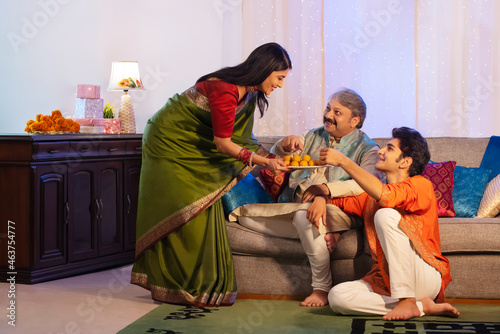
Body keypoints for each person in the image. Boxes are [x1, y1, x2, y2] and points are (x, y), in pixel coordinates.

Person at [130, 42, 292, 307]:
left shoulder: (248, 95)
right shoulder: (224, 89)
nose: (281, 85)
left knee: (204, 207)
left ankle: (191, 284)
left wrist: (274, 159)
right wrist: (264, 161)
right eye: (280, 78)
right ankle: (172, 284)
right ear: (265, 70)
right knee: (184, 208)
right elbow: (223, 144)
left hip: (195, 144)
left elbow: (242, 138)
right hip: (168, 142)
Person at [233, 88, 384, 307]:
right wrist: (283, 146)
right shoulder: (314, 135)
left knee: (306, 218)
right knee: (243, 217)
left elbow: (367, 185)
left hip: (339, 208)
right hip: (296, 206)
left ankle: (321, 289)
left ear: (355, 120)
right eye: (328, 108)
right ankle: (323, 231)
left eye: (337, 112)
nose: (328, 115)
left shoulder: (367, 148)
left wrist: (324, 192)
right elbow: (280, 154)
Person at [317, 126, 459, 320]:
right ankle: (420, 305)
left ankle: (408, 299)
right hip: (386, 279)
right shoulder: (369, 199)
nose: (380, 151)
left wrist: (343, 161)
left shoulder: (421, 185)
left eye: (390, 148)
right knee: (337, 298)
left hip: (424, 274)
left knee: (385, 215)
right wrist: (321, 195)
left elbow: (387, 198)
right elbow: (337, 201)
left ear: (405, 162)